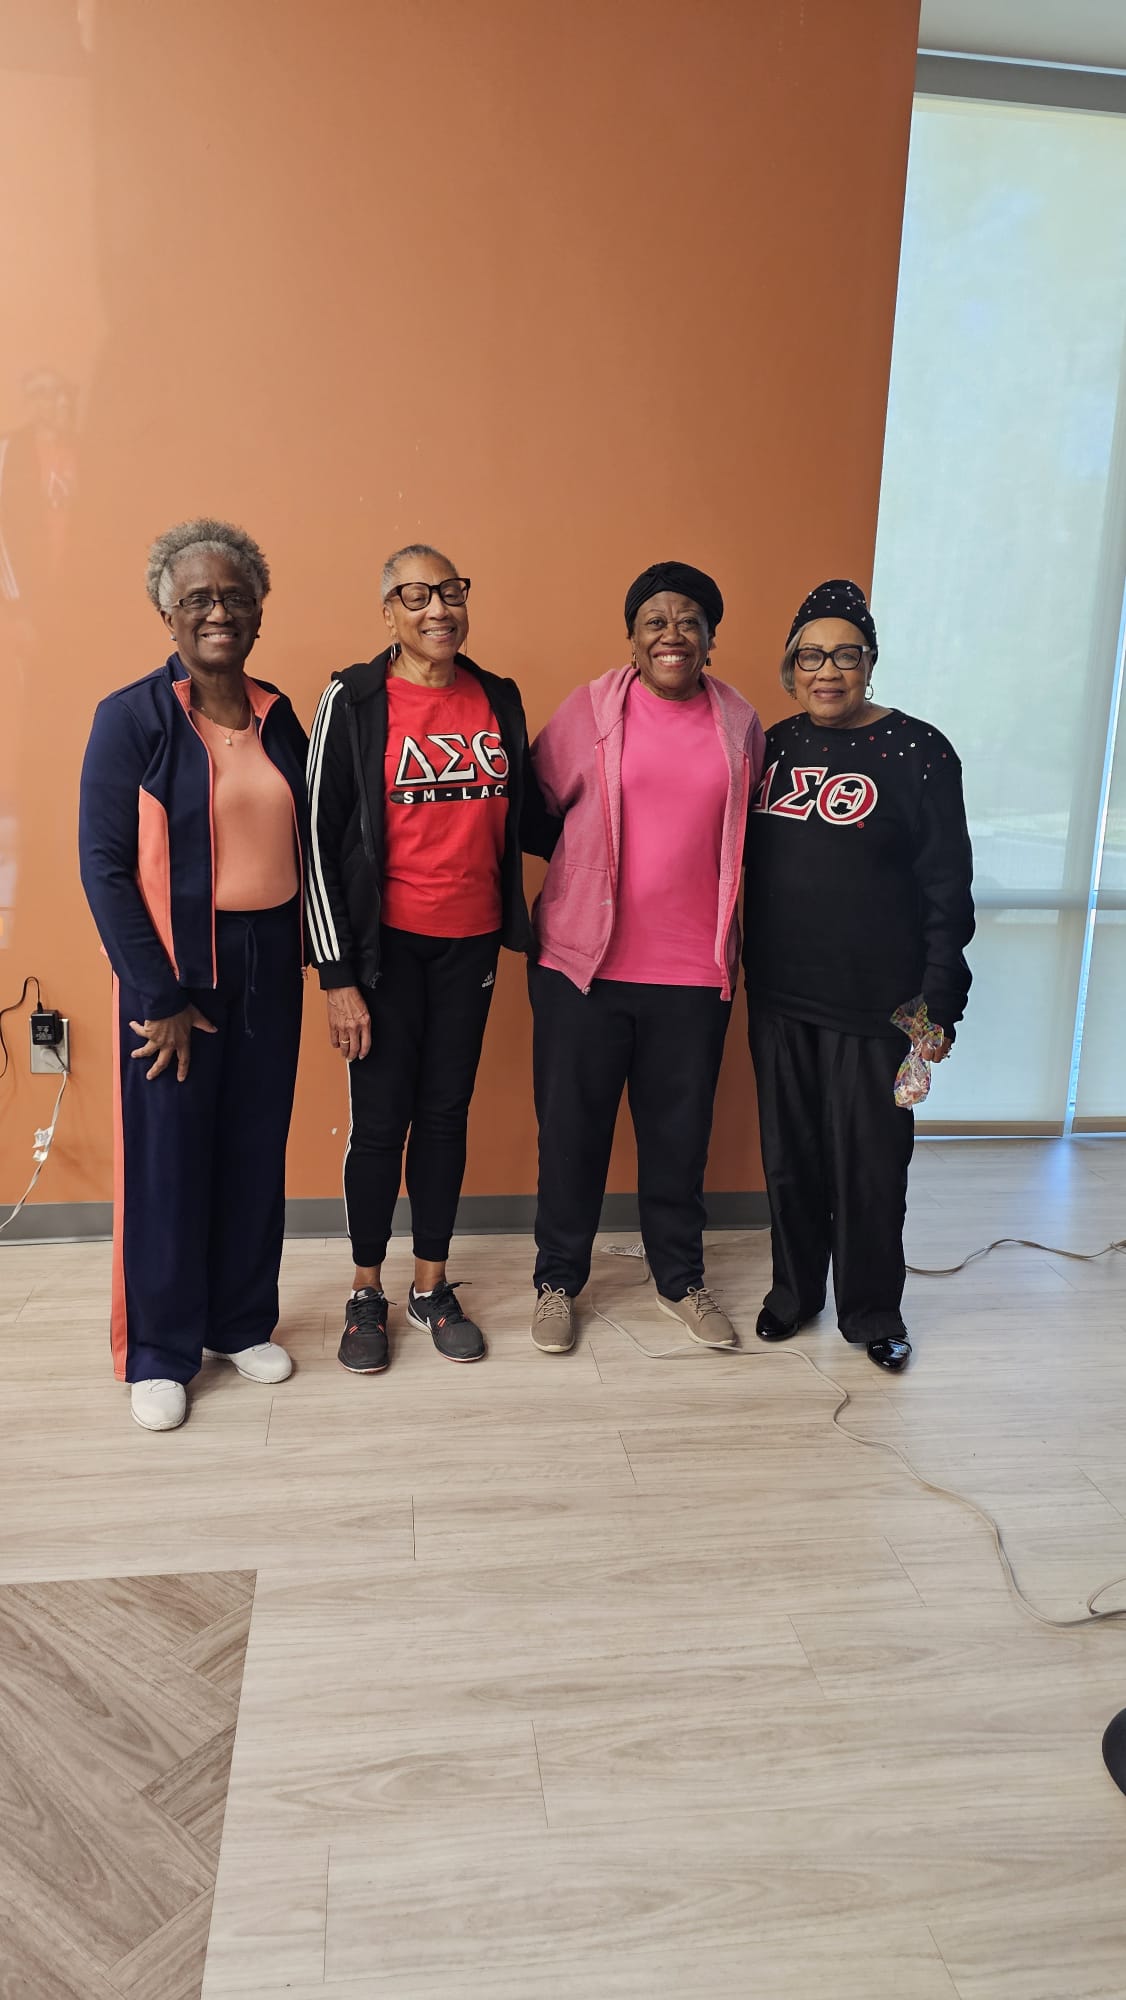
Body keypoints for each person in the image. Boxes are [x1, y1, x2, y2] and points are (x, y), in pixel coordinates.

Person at [78, 519, 309, 1430]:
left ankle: (240, 1321)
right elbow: (104, 867)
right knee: (168, 1161)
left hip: (269, 964)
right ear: (167, 613)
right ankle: (160, 1351)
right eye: (198, 599)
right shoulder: (132, 718)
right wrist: (158, 997)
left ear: (259, 611)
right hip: (174, 971)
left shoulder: (281, 714)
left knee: (254, 1145)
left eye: (235, 597)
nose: (219, 612)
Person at [306, 543, 555, 1374]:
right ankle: (365, 1291)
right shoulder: (353, 698)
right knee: (382, 1124)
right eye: (416, 596)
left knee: (447, 1115)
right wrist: (337, 976)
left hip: (470, 943)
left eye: (450, 592)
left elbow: (531, 814)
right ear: (388, 611)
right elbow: (317, 836)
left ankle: (431, 1285)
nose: (438, 609)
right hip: (383, 952)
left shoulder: (498, 697)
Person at [527, 560, 764, 1354]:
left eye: (689, 620)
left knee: (678, 1139)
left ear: (710, 638)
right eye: (655, 620)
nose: (672, 634)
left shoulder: (740, 723)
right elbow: (535, 811)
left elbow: (749, 836)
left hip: (693, 975)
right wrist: (586, 876)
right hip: (582, 968)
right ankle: (558, 1281)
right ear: (632, 637)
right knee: (572, 1137)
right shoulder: (590, 710)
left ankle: (680, 1280)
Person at [743, 578, 974, 1370]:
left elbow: (948, 889)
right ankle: (794, 1294)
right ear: (791, 668)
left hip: (880, 1007)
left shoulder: (919, 751)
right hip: (779, 997)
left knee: (871, 1171)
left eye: (845, 655)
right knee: (790, 1161)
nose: (828, 671)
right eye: (811, 656)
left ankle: (873, 1311)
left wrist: (939, 1006)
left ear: (870, 662)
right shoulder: (772, 746)